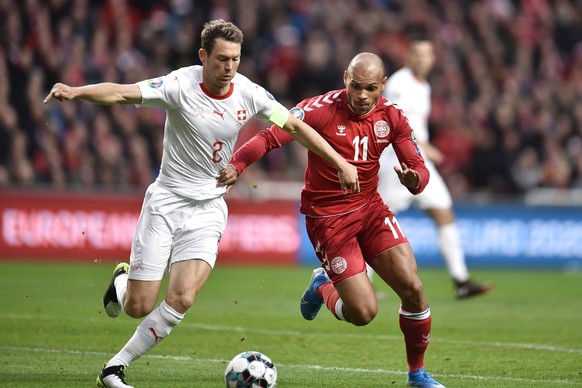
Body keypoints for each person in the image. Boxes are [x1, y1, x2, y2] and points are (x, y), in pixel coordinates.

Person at [44, 19, 359, 388]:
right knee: (138, 307)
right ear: (203, 56)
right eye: (222, 59)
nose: (229, 68)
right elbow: (122, 94)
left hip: (209, 208)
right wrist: (77, 92)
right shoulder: (179, 85)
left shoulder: (249, 93)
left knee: (181, 298)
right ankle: (122, 282)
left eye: (236, 59)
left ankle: (114, 368)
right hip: (166, 203)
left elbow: (294, 127)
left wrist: (339, 161)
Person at [219, 52, 446, 388]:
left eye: (371, 88)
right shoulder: (318, 110)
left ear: (382, 86)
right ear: (345, 79)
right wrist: (237, 165)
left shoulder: (392, 117)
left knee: (413, 289)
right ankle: (321, 284)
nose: (363, 95)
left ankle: (416, 375)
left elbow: (420, 169)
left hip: (371, 210)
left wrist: (416, 181)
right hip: (329, 221)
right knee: (363, 313)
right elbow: (270, 137)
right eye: (356, 86)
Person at [376, 35, 493, 299]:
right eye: (416, 53)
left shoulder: (423, 86)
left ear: (432, 59)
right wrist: (425, 147)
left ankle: (461, 280)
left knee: (443, 212)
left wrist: (426, 148)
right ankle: (358, 282)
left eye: (425, 54)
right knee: (377, 222)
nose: (420, 58)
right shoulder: (399, 83)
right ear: (408, 57)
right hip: (397, 162)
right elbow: (396, 120)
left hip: (420, 161)